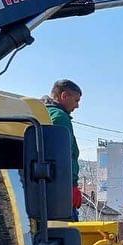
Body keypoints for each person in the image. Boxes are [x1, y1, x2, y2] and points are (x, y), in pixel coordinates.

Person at [43, 78, 82, 218]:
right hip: (61, 190)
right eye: (76, 100)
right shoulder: (60, 117)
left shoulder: (42, 113)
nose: (77, 106)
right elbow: (64, 155)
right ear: (64, 96)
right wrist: (71, 185)